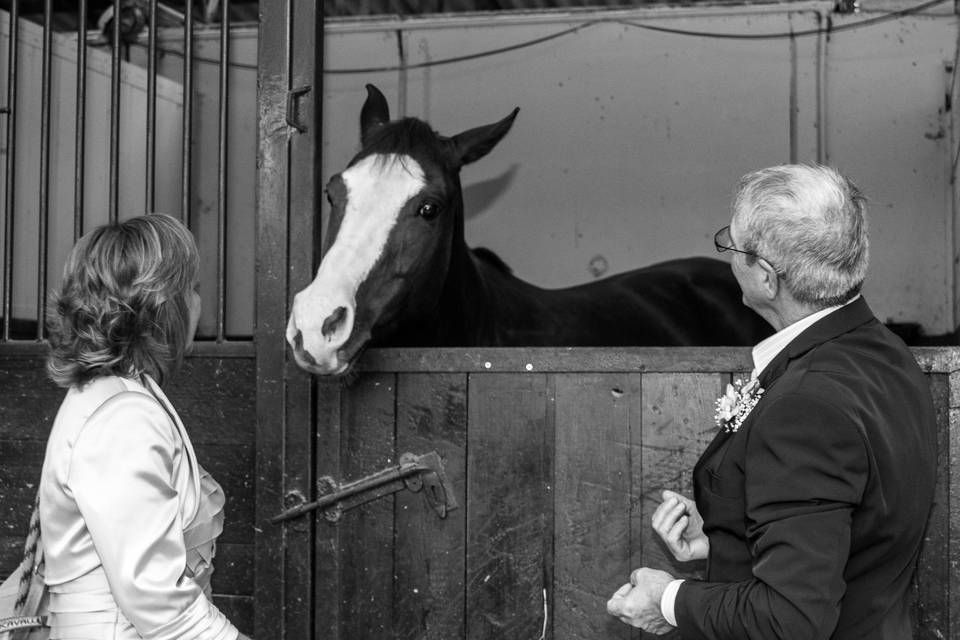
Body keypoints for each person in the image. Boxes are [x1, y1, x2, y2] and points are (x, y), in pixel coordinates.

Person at [606, 164, 937, 639]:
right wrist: (728, 534)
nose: (729, 259)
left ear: (765, 276)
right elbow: (850, 523)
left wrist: (669, 600)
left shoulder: (805, 406)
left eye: (732, 246)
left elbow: (791, 618)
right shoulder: (883, 351)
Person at [37, 213, 252, 639]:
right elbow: (156, 601)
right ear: (161, 306)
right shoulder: (122, 416)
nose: (198, 303)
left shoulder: (120, 395)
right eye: (192, 289)